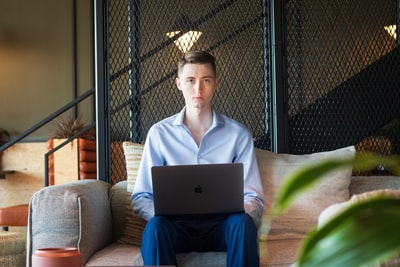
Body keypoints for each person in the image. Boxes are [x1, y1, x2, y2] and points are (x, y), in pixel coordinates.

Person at [131, 50, 264, 266]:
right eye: (191, 80)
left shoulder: (238, 135)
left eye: (206, 80)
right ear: (178, 84)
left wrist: (239, 208)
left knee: (242, 224)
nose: (198, 88)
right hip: (176, 229)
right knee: (155, 227)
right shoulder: (159, 133)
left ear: (216, 83)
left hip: (222, 228)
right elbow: (141, 196)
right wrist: (161, 212)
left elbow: (254, 197)